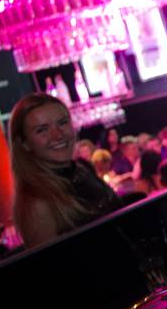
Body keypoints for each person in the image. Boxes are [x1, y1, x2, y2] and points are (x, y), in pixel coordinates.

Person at [9, 94, 123, 248]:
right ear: (24, 144)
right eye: (42, 130)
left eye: (62, 123)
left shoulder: (81, 168)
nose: (57, 135)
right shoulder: (37, 202)